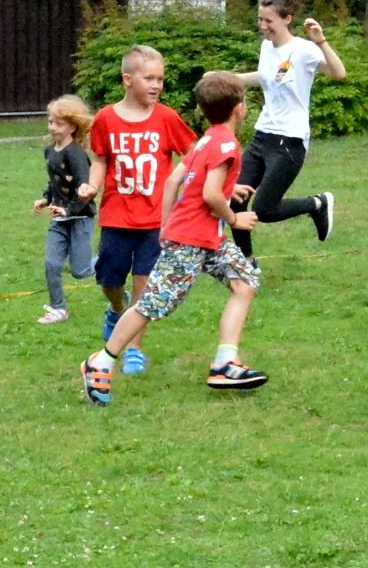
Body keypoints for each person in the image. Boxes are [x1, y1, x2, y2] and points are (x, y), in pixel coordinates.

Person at [81, 72, 266, 404]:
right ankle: (101, 362)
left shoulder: (209, 139)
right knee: (154, 304)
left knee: (245, 282)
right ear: (240, 108)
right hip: (192, 239)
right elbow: (210, 194)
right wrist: (235, 217)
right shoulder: (225, 143)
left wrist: (165, 225)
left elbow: (173, 181)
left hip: (207, 238)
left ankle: (225, 362)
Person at [84, 45, 195, 373]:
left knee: (144, 286)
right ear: (127, 79)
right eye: (149, 78)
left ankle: (134, 348)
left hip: (156, 220)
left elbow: (193, 153)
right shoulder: (105, 117)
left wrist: (191, 188)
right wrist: (92, 185)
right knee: (109, 279)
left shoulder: (168, 118)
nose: (156, 84)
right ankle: (116, 310)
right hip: (117, 216)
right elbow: (101, 158)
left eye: (160, 78)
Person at [217, 0, 343, 256]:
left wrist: (321, 42)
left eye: (268, 21)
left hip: (290, 141)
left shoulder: (303, 50)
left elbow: (338, 73)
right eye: (260, 20)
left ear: (287, 19)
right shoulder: (266, 47)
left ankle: (317, 204)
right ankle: (246, 261)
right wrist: (225, 78)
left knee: (264, 209)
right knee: (235, 198)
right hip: (262, 135)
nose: (263, 26)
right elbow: (266, 78)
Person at [35, 95, 97, 325]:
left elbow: (86, 189)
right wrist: (45, 199)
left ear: (72, 126)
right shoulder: (50, 151)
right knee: (51, 264)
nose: (52, 127)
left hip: (80, 217)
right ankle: (58, 309)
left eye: (58, 123)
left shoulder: (76, 155)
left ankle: (110, 266)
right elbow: (55, 181)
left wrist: (69, 211)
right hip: (58, 218)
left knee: (80, 271)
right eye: (50, 122)